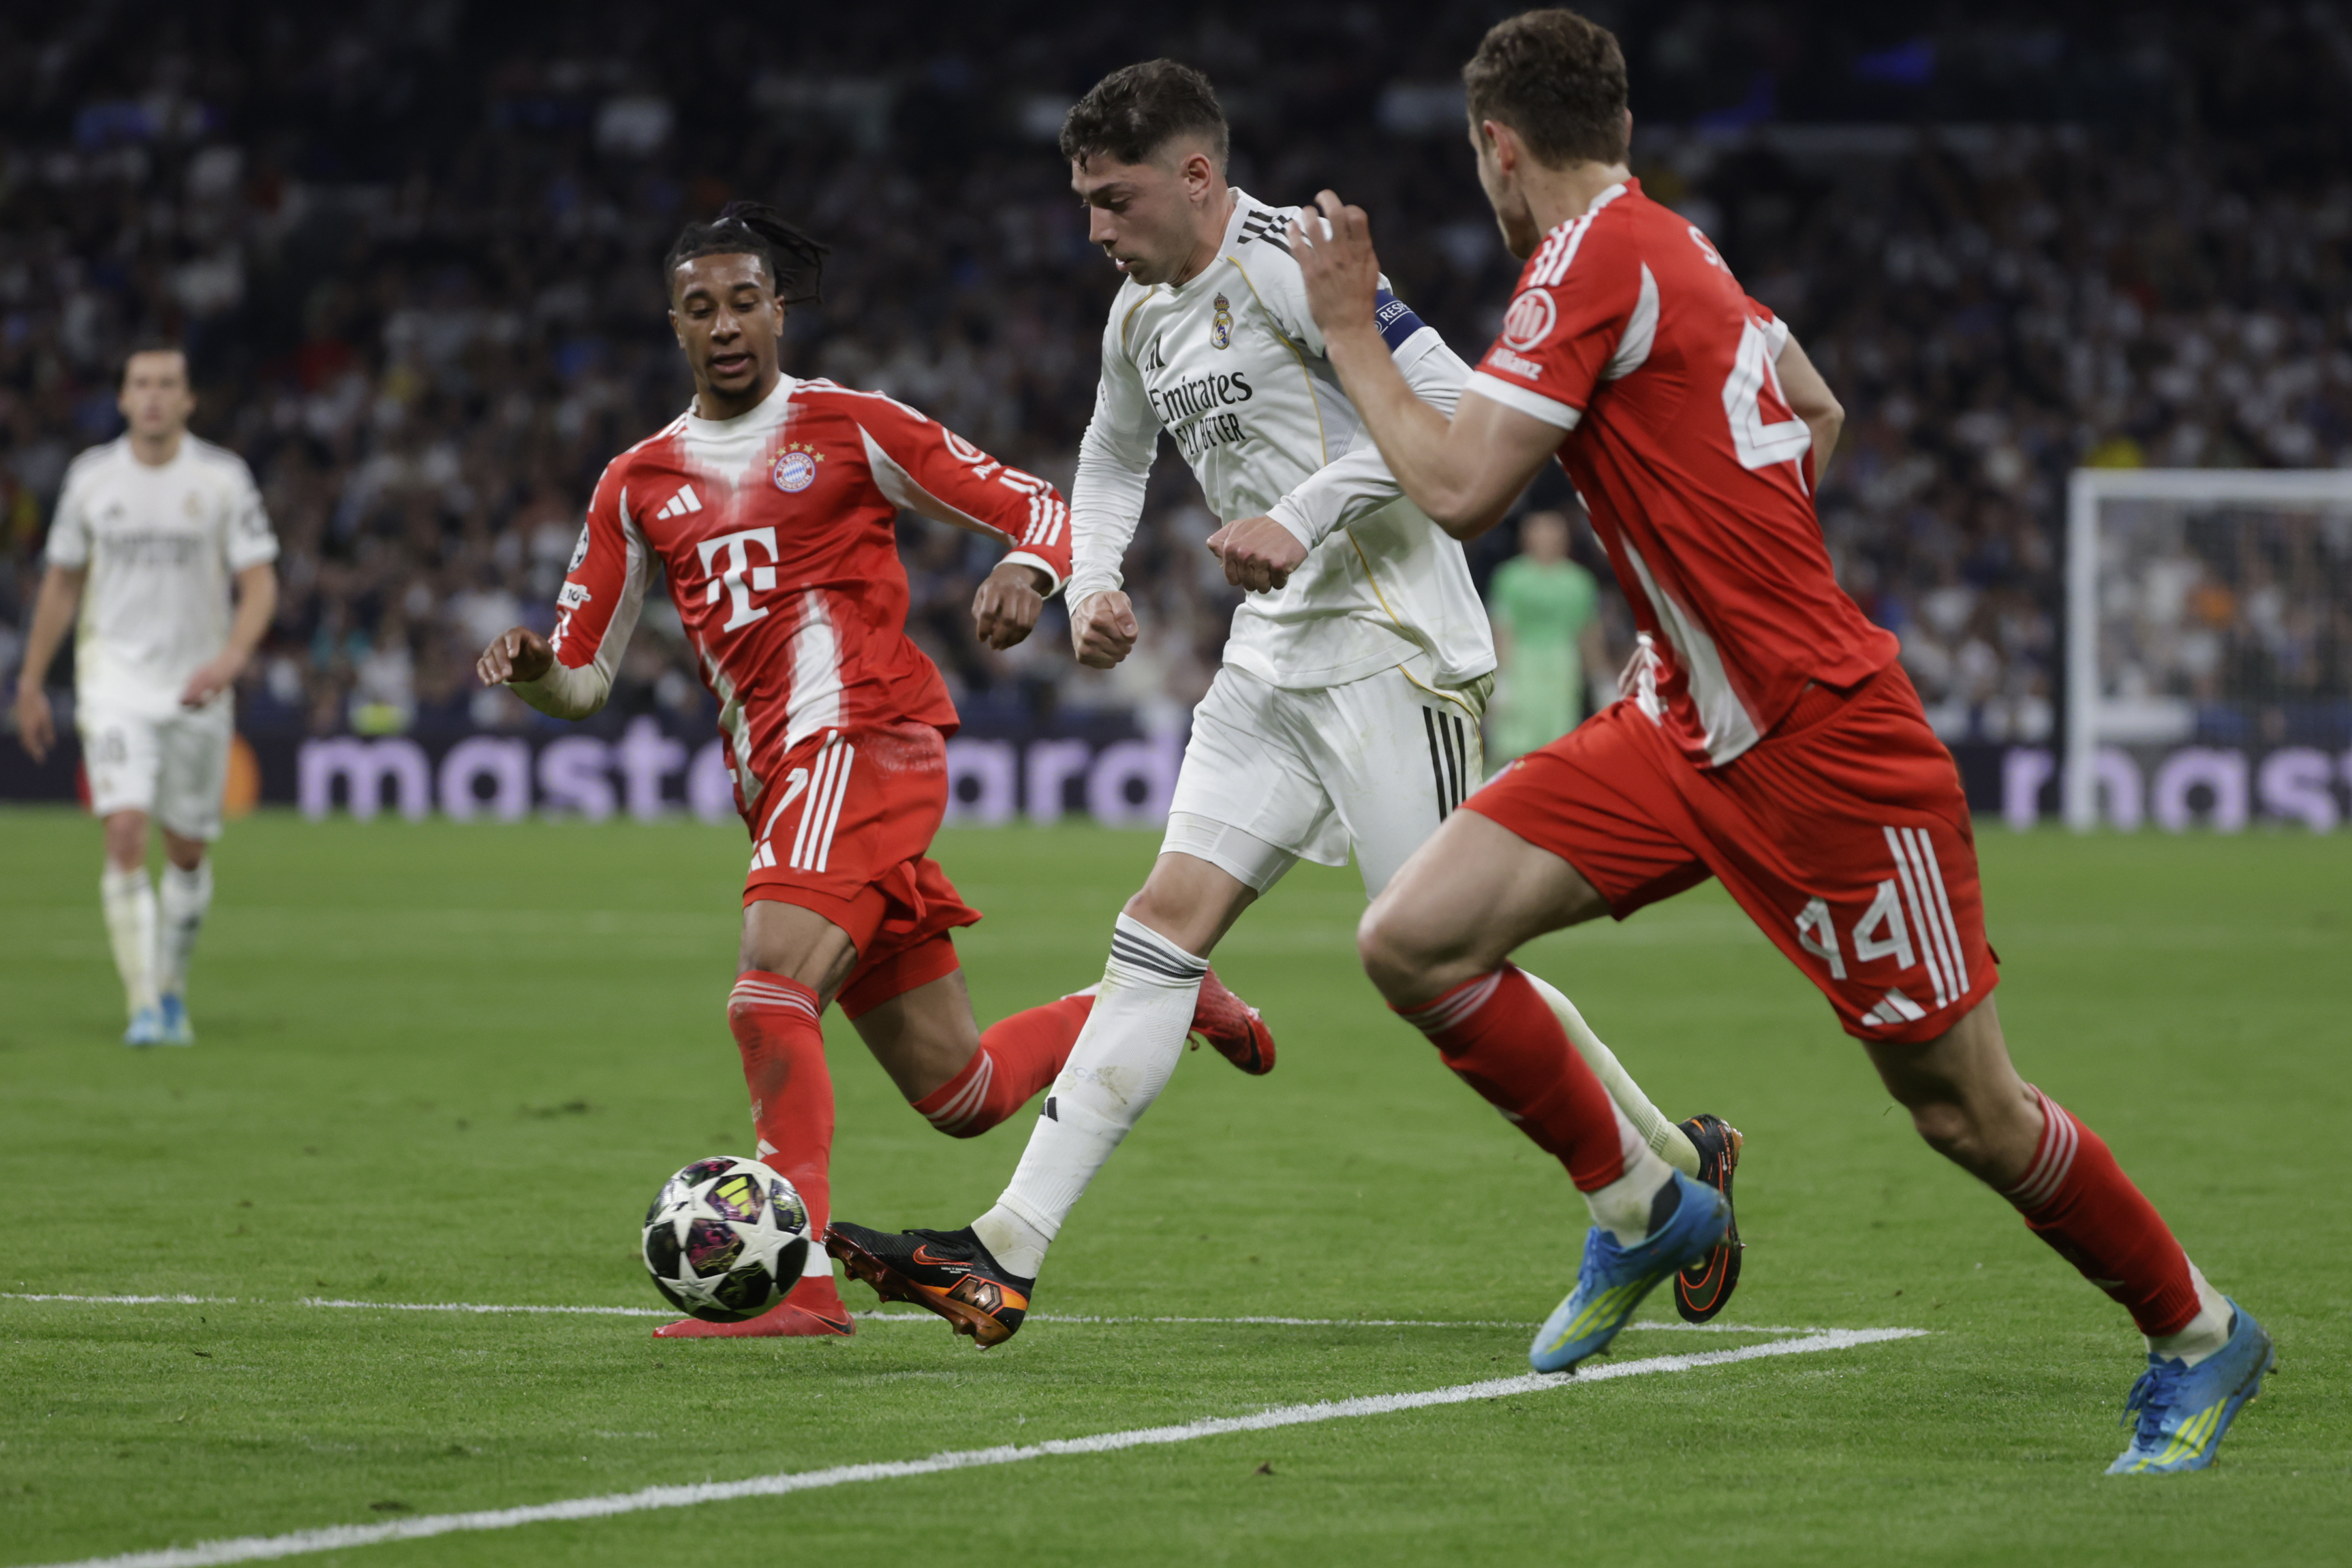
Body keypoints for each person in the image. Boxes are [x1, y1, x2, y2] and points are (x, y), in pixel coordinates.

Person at [1286, 7, 2269, 1473]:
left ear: (1498, 145)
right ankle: (1650, 1206)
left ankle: (2199, 1331)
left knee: (1966, 1110)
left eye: (1479, 159)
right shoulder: (1680, 250)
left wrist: (1350, 324)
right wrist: (1703, 608)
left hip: (1825, 750)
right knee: (1413, 936)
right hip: (1683, 725)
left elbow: (1461, 485)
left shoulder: (1591, 260)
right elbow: (1816, 407)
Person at [825, 60, 1744, 1349]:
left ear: (1195, 177)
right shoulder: (1139, 314)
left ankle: (1654, 1181)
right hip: (1270, 660)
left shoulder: (1291, 260)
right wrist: (1085, 577)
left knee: (1443, 956)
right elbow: (1110, 455)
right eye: (1083, 200)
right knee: (1158, 930)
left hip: (1391, 643)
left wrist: (1298, 515)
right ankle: (1004, 1249)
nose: (1093, 228)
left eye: (1112, 197)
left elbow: (1451, 416)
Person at [475, 203, 1269, 1340]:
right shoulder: (637, 483)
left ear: (779, 311)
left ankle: (793, 1288)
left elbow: (1040, 508)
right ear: (674, 327)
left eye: (745, 300)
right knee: (963, 1091)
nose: (727, 324)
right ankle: (1161, 999)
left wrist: (1028, 578)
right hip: (781, 782)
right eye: (700, 308)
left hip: (860, 739)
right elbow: (585, 680)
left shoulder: (851, 427)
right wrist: (535, 669)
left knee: (766, 990)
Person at [12, 346, 279, 1047]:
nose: (154, 396)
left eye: (167, 384)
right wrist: (33, 680)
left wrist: (230, 658)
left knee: (186, 847)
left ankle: (171, 988)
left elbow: (260, 582)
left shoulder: (221, 479)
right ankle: (143, 1005)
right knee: (125, 830)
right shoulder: (93, 479)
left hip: (197, 686)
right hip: (116, 683)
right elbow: (63, 582)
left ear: (188, 400)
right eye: (141, 384)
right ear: (124, 399)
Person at [1486, 507, 1605, 766]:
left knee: (1557, 747)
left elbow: (1588, 633)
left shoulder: (1579, 581)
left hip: (1562, 668)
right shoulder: (1510, 578)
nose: (1545, 538)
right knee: (1512, 746)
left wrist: (1600, 680)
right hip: (1521, 667)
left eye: (1553, 531)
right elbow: (1503, 629)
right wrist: (1500, 679)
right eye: (1538, 531)